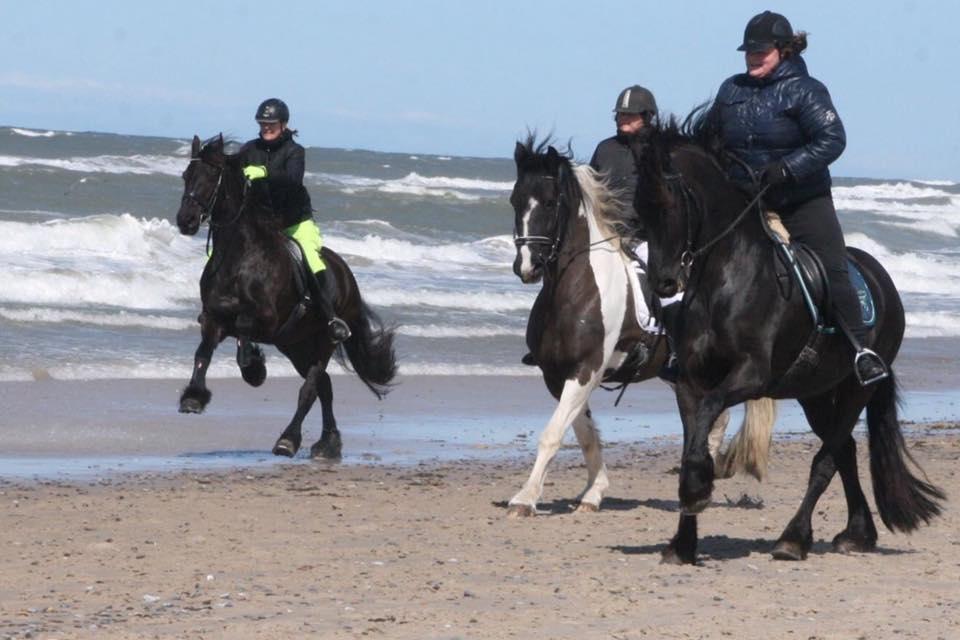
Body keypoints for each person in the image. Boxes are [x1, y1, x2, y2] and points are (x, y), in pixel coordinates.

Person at [707, 10, 886, 385]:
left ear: (784, 50)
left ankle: (861, 351)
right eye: (749, 52)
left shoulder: (806, 90)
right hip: (746, 201)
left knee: (833, 267)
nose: (753, 57)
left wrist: (787, 168)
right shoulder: (730, 90)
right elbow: (711, 139)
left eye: (762, 51)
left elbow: (832, 139)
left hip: (801, 199)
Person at [239, 98, 351, 344]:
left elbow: (293, 180)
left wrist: (264, 173)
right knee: (219, 252)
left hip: (295, 222)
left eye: (271, 124)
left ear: (284, 124)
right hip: (261, 225)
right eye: (263, 124)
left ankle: (330, 318)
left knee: (311, 259)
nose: (266, 128)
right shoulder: (249, 149)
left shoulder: (294, 152)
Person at [590, 84, 657, 242]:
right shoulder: (604, 149)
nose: (623, 119)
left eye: (630, 115)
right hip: (605, 237)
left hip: (647, 239)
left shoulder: (661, 150)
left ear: (647, 117)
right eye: (621, 114)